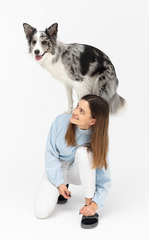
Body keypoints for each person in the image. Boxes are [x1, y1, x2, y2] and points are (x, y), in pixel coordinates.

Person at [34, 94, 111, 229]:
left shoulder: (97, 140)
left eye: (82, 111)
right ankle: (64, 187)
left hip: (79, 171)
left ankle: (88, 205)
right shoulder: (60, 121)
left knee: (84, 153)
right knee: (41, 212)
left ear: (92, 121)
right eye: (77, 107)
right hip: (58, 169)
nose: (74, 112)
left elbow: (104, 180)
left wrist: (94, 204)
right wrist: (60, 183)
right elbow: (50, 154)